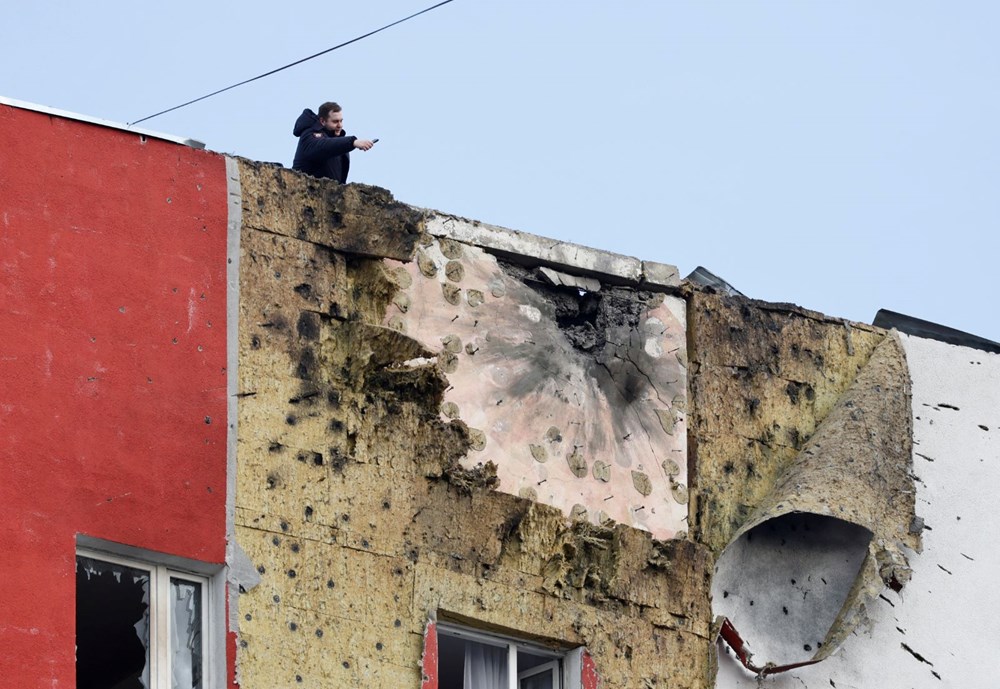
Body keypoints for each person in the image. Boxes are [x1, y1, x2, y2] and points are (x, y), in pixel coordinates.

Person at [292, 102, 375, 183]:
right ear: (322, 121)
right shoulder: (309, 135)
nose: (340, 125)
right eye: (335, 122)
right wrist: (352, 142)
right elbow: (322, 146)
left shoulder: (337, 141)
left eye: (341, 121)